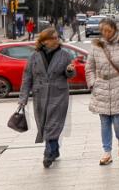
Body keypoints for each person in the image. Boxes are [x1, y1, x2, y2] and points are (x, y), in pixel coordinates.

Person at [18, 27, 77, 168]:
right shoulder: (34, 57)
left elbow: (71, 75)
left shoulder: (65, 55)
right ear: (44, 41)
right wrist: (22, 99)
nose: (57, 40)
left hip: (59, 94)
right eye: (54, 38)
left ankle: (48, 153)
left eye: (57, 37)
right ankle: (55, 150)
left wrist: (70, 71)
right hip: (40, 95)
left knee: (54, 124)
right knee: (44, 124)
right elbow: (27, 78)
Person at [86, 17, 119, 166]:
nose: (105, 33)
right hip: (101, 86)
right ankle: (107, 152)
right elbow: (89, 67)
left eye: (108, 30)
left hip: (118, 85)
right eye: (102, 30)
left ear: (114, 29)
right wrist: (93, 83)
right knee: (104, 121)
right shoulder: (96, 46)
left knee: (117, 120)